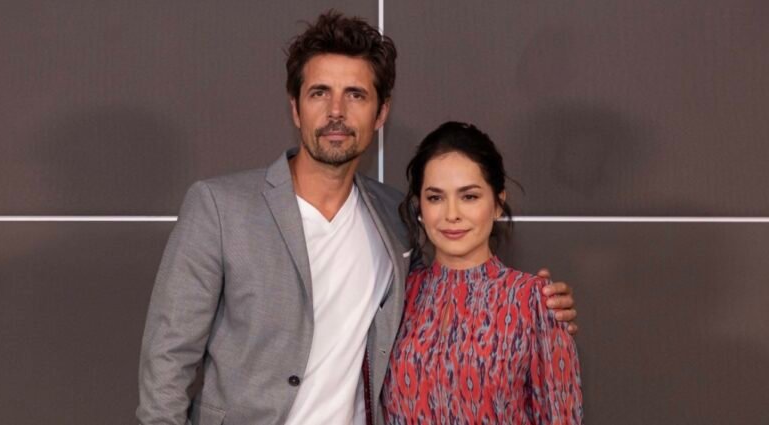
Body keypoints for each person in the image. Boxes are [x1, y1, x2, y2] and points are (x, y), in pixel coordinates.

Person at [137, 11, 577, 425]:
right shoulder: (220, 208)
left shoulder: (395, 218)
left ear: (381, 112)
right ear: (295, 108)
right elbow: (168, 362)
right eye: (319, 93)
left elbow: (456, 292)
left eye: (355, 95)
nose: (336, 112)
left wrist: (541, 309)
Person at [382, 122, 583, 423]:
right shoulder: (398, 295)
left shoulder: (533, 301)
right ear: (420, 208)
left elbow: (561, 415)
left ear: (498, 203)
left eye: (469, 197)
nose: (452, 214)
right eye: (436, 197)